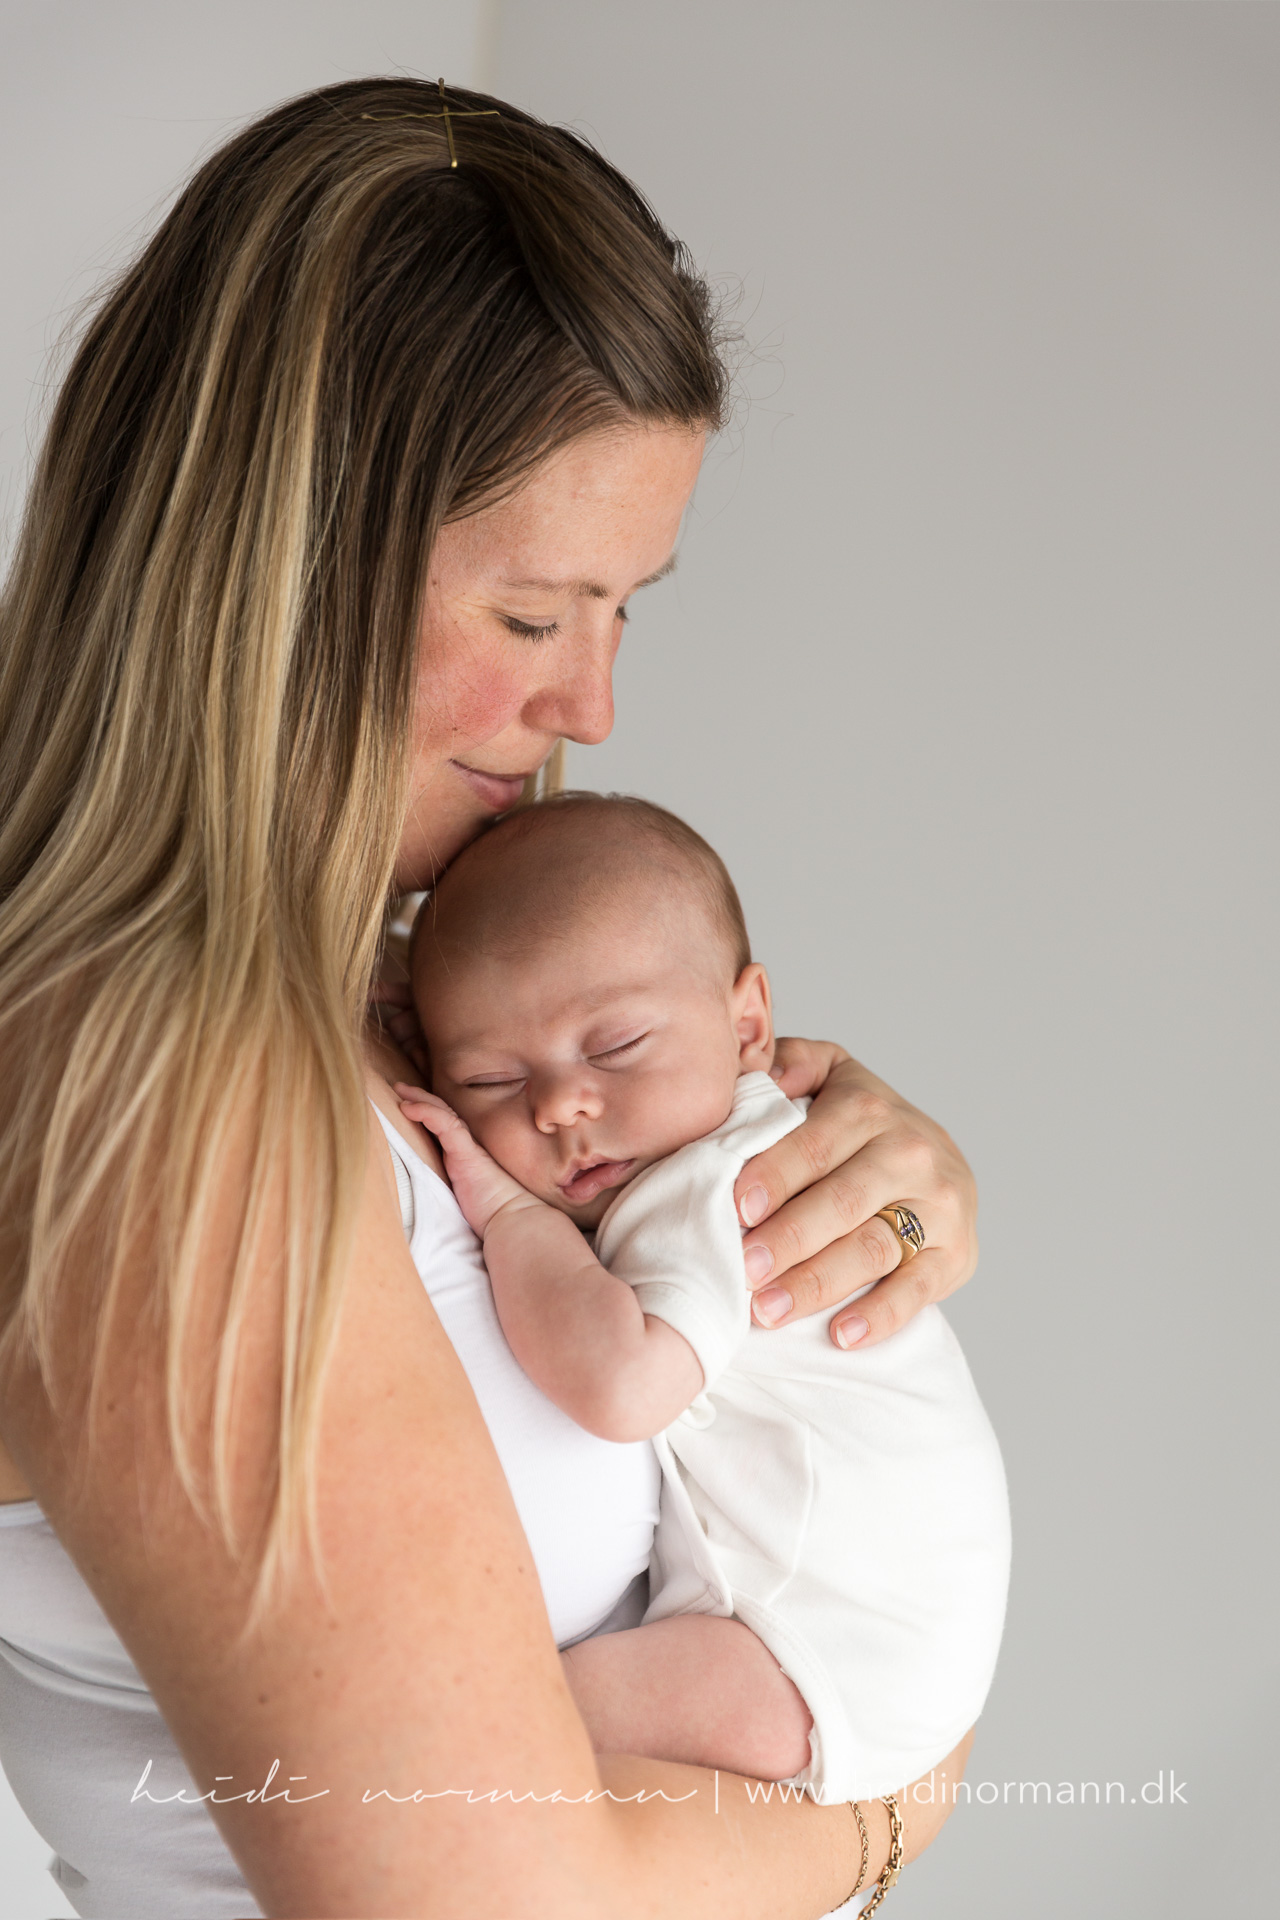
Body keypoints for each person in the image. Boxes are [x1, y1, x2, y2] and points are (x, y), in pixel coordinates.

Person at [0, 76, 981, 1917]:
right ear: (275, 569)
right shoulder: (144, 1100)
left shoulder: (368, 1021)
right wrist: (895, 1802)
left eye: (626, 609)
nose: (590, 706)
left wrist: (861, 1203)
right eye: (535, 616)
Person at [397, 791, 1010, 1808]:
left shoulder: (706, 1184)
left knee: (474, 1733)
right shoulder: (725, 1146)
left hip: (816, 1656)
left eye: (614, 1048)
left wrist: (506, 1212)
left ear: (748, 1025)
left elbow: (624, 1385)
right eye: (491, 1079)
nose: (558, 1105)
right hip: (895, 1648)